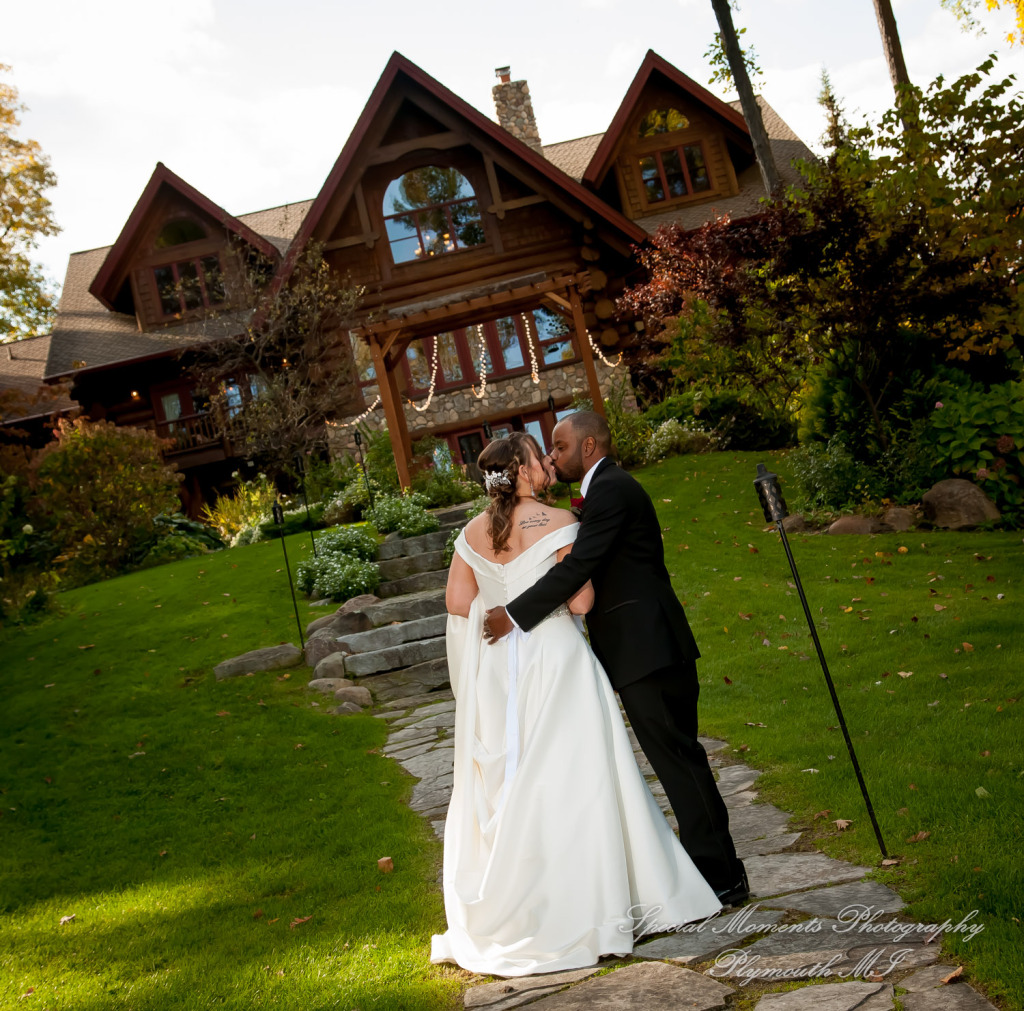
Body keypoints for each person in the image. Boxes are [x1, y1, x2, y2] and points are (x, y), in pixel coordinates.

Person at [431, 431, 721, 977]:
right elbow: (582, 600)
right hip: (556, 659)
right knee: (577, 773)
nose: (546, 462)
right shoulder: (561, 522)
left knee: (516, 776)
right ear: (520, 469)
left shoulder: (469, 535)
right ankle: (603, 893)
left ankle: (532, 894)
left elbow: (458, 603)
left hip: (500, 668)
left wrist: (500, 606)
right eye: (537, 456)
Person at [482, 411, 749, 908]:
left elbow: (582, 566)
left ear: (587, 448)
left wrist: (513, 616)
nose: (553, 457)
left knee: (678, 762)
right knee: (680, 758)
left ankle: (721, 876)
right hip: (649, 646)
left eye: (559, 448)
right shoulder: (606, 488)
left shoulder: (610, 490)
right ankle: (722, 868)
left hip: (645, 649)